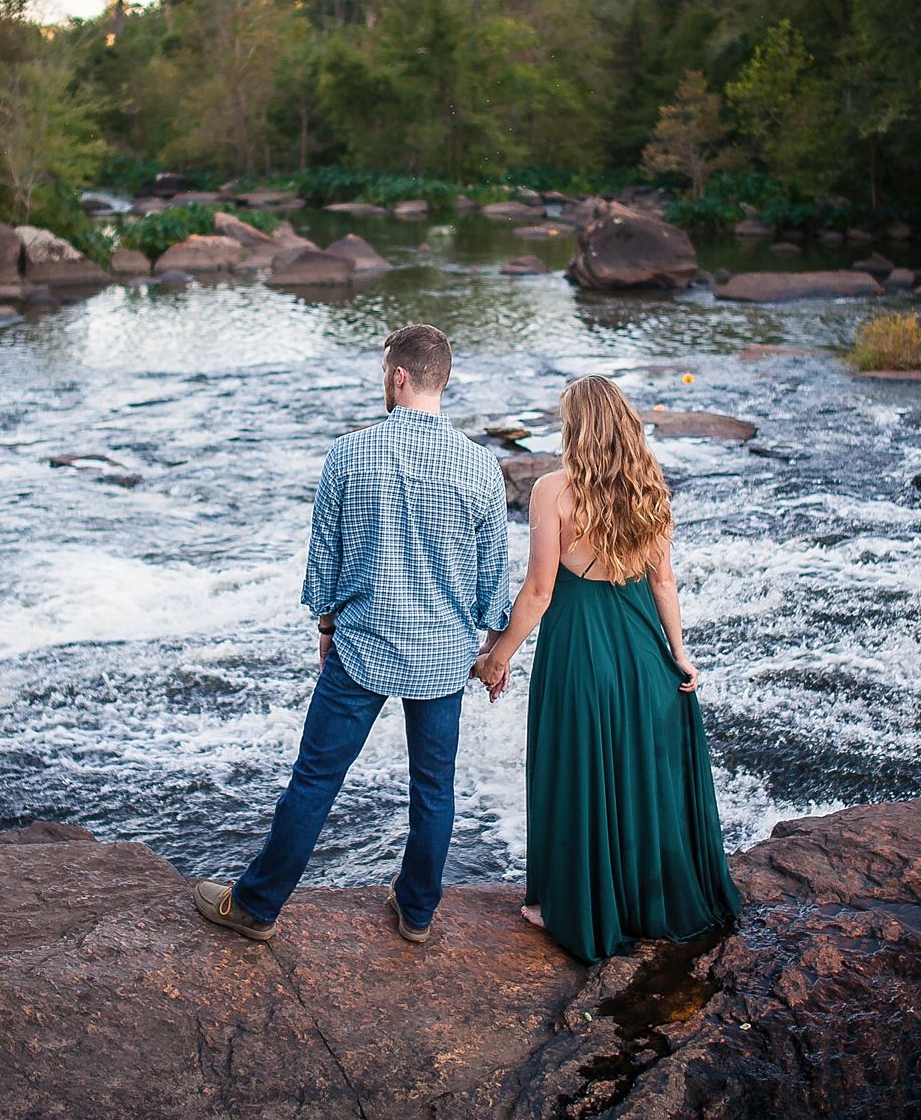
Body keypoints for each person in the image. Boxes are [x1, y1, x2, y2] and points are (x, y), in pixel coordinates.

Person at [194, 324, 512, 945]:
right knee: (434, 787)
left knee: (315, 779)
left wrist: (325, 621)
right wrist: (491, 650)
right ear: (440, 380)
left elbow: (326, 557)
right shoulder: (481, 466)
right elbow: (491, 578)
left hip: (363, 643)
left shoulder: (349, 452)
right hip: (443, 656)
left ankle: (257, 907)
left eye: (383, 373)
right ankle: (418, 913)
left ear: (398, 377)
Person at [472, 373, 740, 964]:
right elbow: (664, 583)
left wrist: (496, 658)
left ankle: (565, 905)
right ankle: (648, 902)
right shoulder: (649, 486)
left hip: (581, 655)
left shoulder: (553, 490)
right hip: (646, 654)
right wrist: (680, 654)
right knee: (642, 779)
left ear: (575, 428)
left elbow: (540, 592)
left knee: (578, 772)